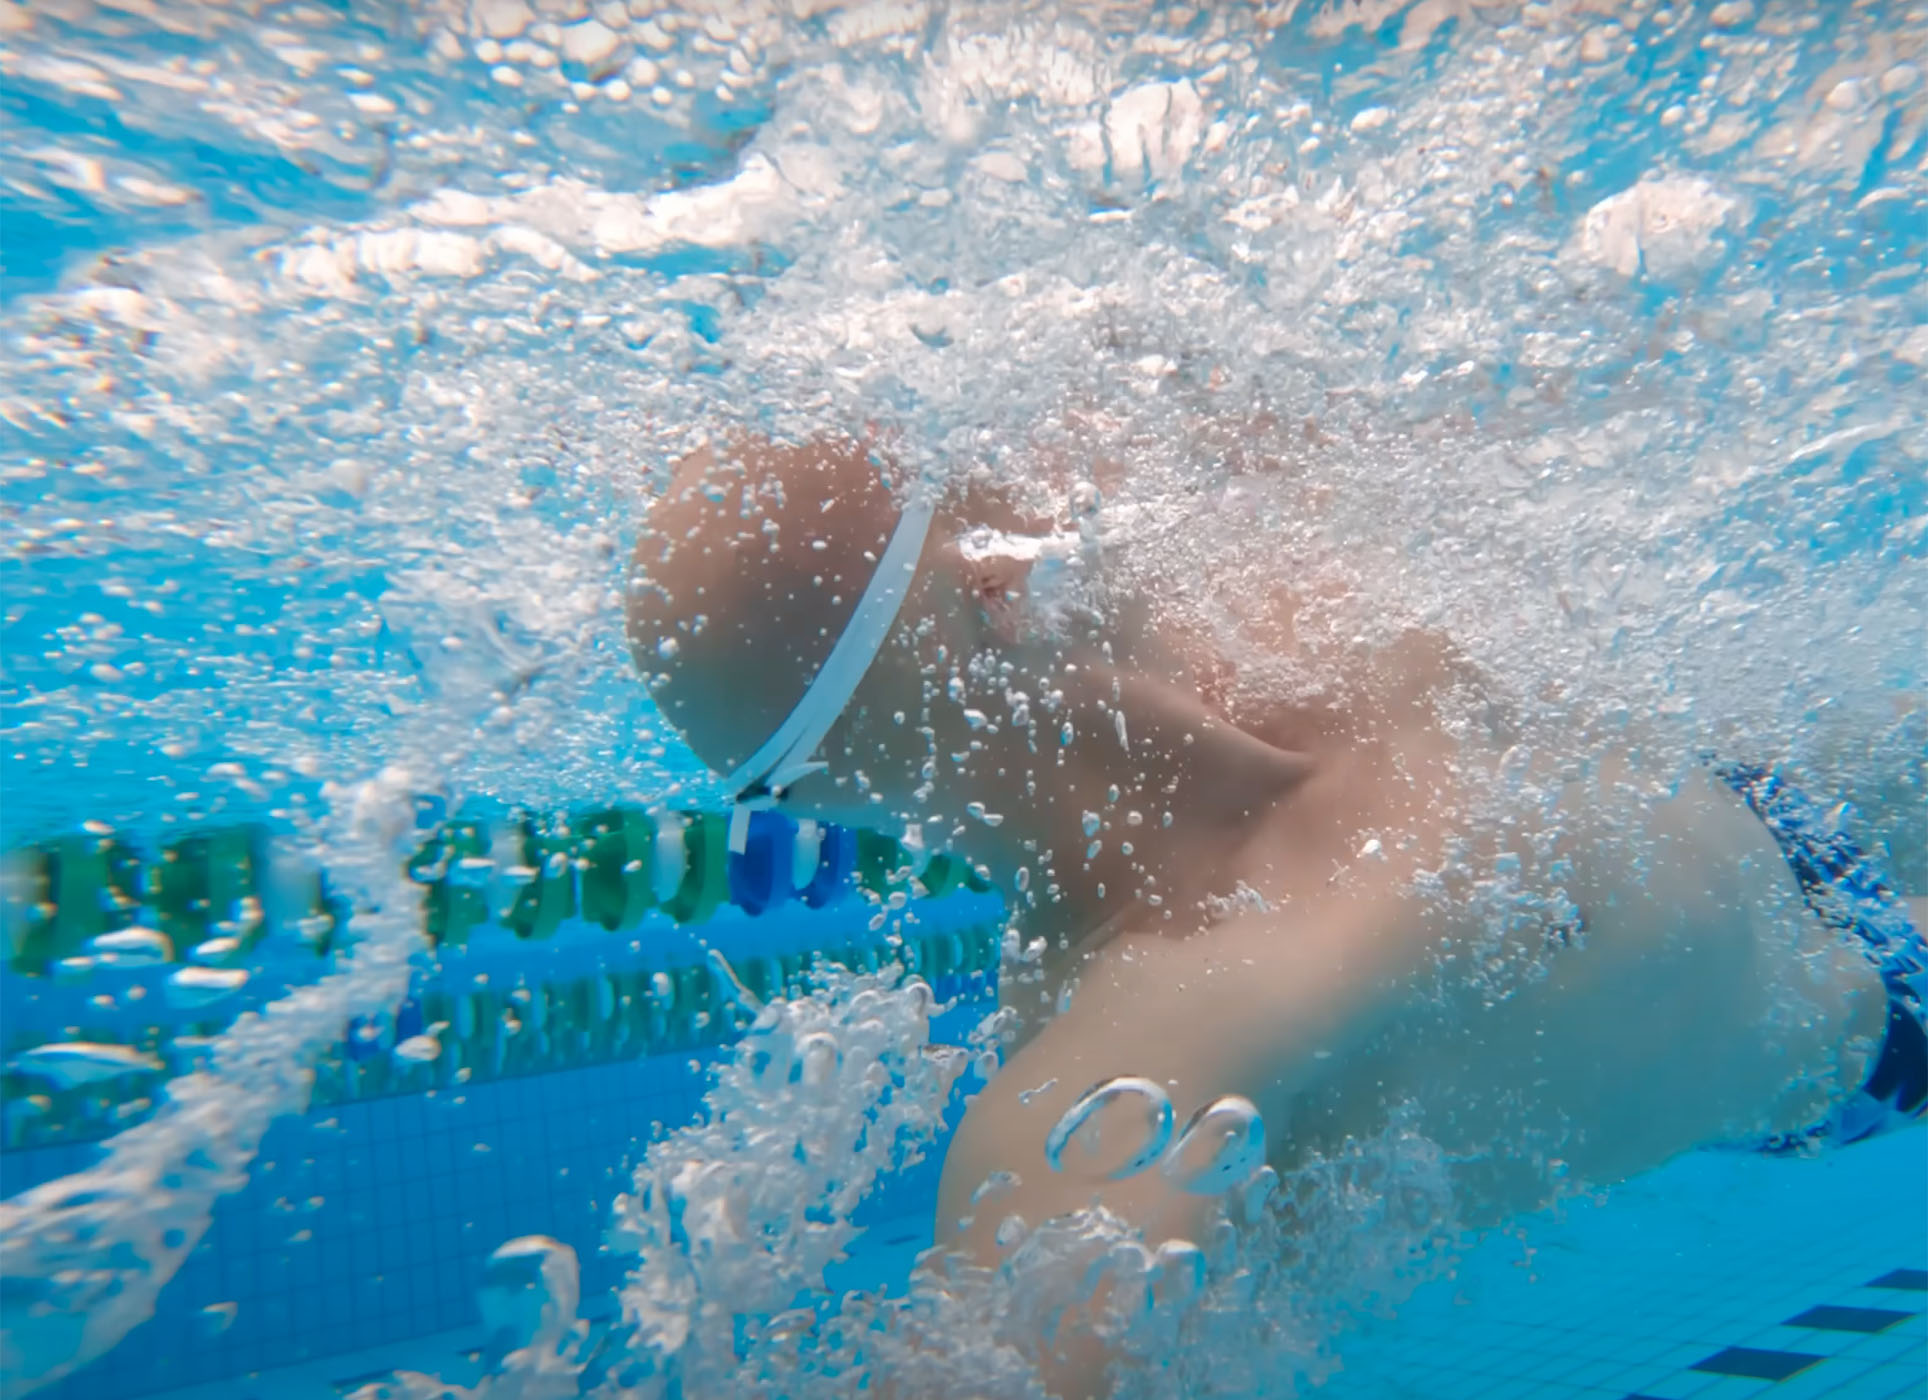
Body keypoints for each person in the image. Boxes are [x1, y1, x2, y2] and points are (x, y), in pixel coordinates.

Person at [626, 433, 1926, 1394]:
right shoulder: (1134, 1069)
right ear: (1001, 577)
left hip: (1762, 779)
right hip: (1863, 1012)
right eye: (1002, 470)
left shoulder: (1270, 616)